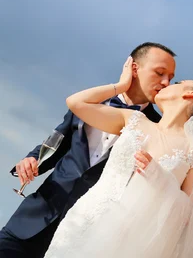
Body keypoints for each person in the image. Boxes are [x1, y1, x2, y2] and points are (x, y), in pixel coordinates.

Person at [44, 57, 193, 258]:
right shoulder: (133, 119)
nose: (167, 84)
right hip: (84, 220)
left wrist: (160, 178)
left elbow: (190, 215)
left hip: (131, 241)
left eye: (178, 83)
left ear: (190, 94)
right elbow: (76, 102)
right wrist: (120, 86)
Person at [0, 42, 177, 258]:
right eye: (160, 73)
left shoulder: (157, 129)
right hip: (32, 220)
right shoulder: (90, 103)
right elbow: (56, 143)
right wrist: (29, 160)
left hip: (82, 239)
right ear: (133, 68)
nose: (166, 82)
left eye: (170, 77)